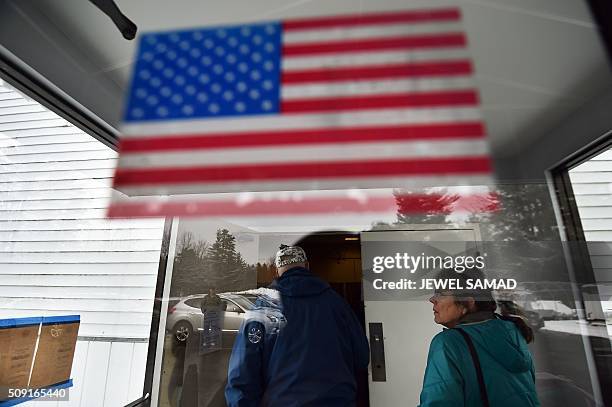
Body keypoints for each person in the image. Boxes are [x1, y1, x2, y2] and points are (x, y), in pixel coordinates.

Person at [225, 244, 369, 406]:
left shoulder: (263, 308)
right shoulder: (337, 304)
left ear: (276, 270)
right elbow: (362, 357)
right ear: (307, 266)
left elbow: (242, 374)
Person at [419, 268, 540, 407]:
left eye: (441, 293)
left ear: (469, 303)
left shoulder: (449, 343)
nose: (432, 300)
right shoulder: (514, 332)